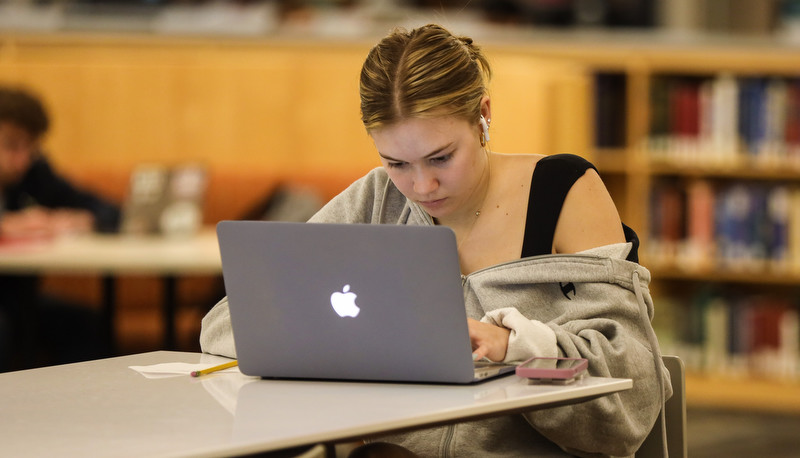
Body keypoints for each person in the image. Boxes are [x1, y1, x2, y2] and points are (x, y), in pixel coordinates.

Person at [200, 24, 671, 457]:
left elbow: (631, 394)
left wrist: (514, 344)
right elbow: (226, 326)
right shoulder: (376, 200)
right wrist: (371, 337)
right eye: (397, 163)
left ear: (483, 115)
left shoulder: (564, 190)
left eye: (441, 157)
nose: (422, 187)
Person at [0, 86, 121, 371]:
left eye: (30, 147)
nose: (22, 159)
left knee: (85, 323)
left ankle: (87, 411)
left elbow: (108, 210)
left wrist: (82, 218)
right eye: (11, 145)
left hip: (18, 298)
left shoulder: (34, 173)